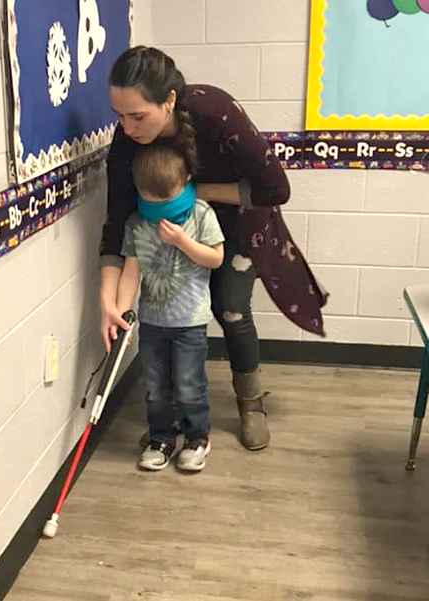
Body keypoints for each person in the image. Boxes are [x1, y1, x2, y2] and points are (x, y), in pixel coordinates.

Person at [99, 46, 328, 452]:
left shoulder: (214, 112)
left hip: (237, 222)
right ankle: (173, 416)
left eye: (137, 116)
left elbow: (277, 188)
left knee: (230, 307)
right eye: (119, 115)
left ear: (168, 100)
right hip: (167, 230)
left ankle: (250, 401)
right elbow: (117, 221)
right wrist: (107, 301)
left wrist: (196, 193)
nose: (127, 127)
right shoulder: (127, 140)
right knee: (174, 318)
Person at [115, 141, 224, 471]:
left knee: (190, 386)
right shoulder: (136, 224)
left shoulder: (201, 214)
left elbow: (216, 258)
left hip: (190, 321)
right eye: (150, 201)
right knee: (155, 387)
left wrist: (181, 241)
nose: (157, 209)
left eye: (166, 200)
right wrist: (122, 311)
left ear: (185, 183)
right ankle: (161, 437)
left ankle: (197, 437)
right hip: (152, 321)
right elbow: (131, 270)